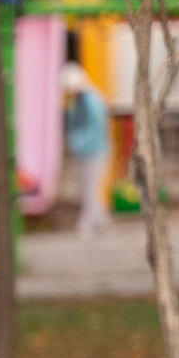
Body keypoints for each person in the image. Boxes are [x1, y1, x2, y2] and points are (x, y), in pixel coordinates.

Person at [64, 61, 112, 237]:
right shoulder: (77, 101)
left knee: (90, 188)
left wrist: (77, 142)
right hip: (85, 151)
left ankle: (86, 225)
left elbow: (96, 126)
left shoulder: (91, 100)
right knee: (87, 187)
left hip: (95, 150)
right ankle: (102, 222)